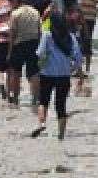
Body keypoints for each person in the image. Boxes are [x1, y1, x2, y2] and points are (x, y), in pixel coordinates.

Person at [32, 9, 84, 140]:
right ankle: (61, 136)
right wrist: (77, 71)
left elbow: (40, 53)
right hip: (64, 76)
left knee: (43, 102)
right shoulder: (70, 37)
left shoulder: (47, 35)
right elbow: (77, 57)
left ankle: (42, 123)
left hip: (47, 74)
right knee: (61, 106)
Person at [6, 0, 42, 106]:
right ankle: (36, 98)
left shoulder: (15, 14)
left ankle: (15, 98)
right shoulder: (35, 11)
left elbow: (12, 34)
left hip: (19, 44)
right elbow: (39, 31)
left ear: (15, 0)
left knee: (15, 72)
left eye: (10, 2)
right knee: (34, 72)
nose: (10, 5)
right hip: (34, 43)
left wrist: (10, 52)